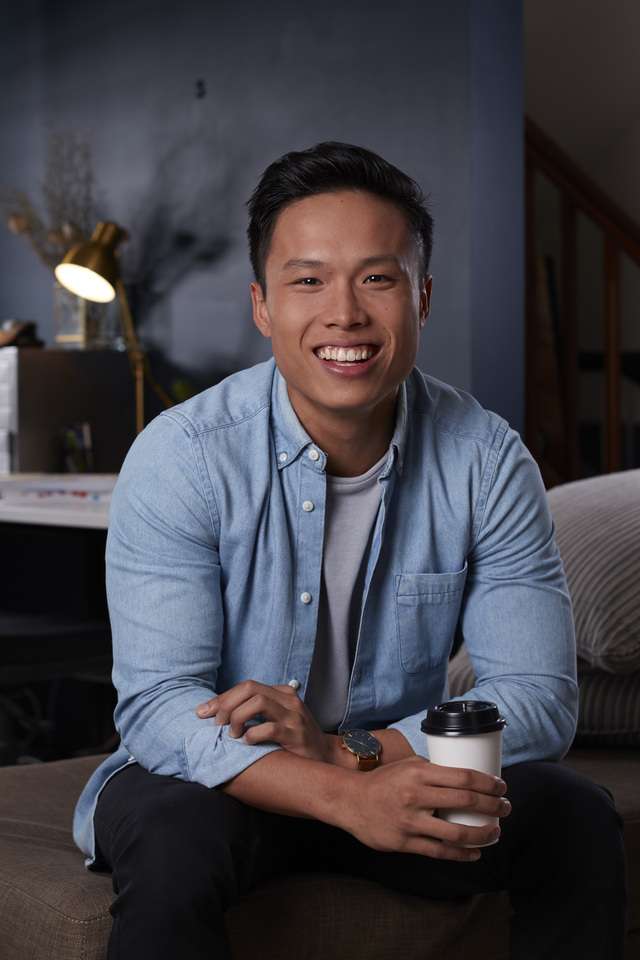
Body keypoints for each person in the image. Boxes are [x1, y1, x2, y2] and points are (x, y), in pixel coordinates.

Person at [73, 141, 626, 959]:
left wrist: (352, 755)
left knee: (571, 813)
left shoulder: (484, 459)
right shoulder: (184, 454)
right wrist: (333, 793)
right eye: (308, 280)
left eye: (378, 277)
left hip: (395, 776)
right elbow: (159, 708)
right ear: (262, 305)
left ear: (422, 296)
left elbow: (538, 698)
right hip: (225, 782)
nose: (345, 314)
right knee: (176, 832)